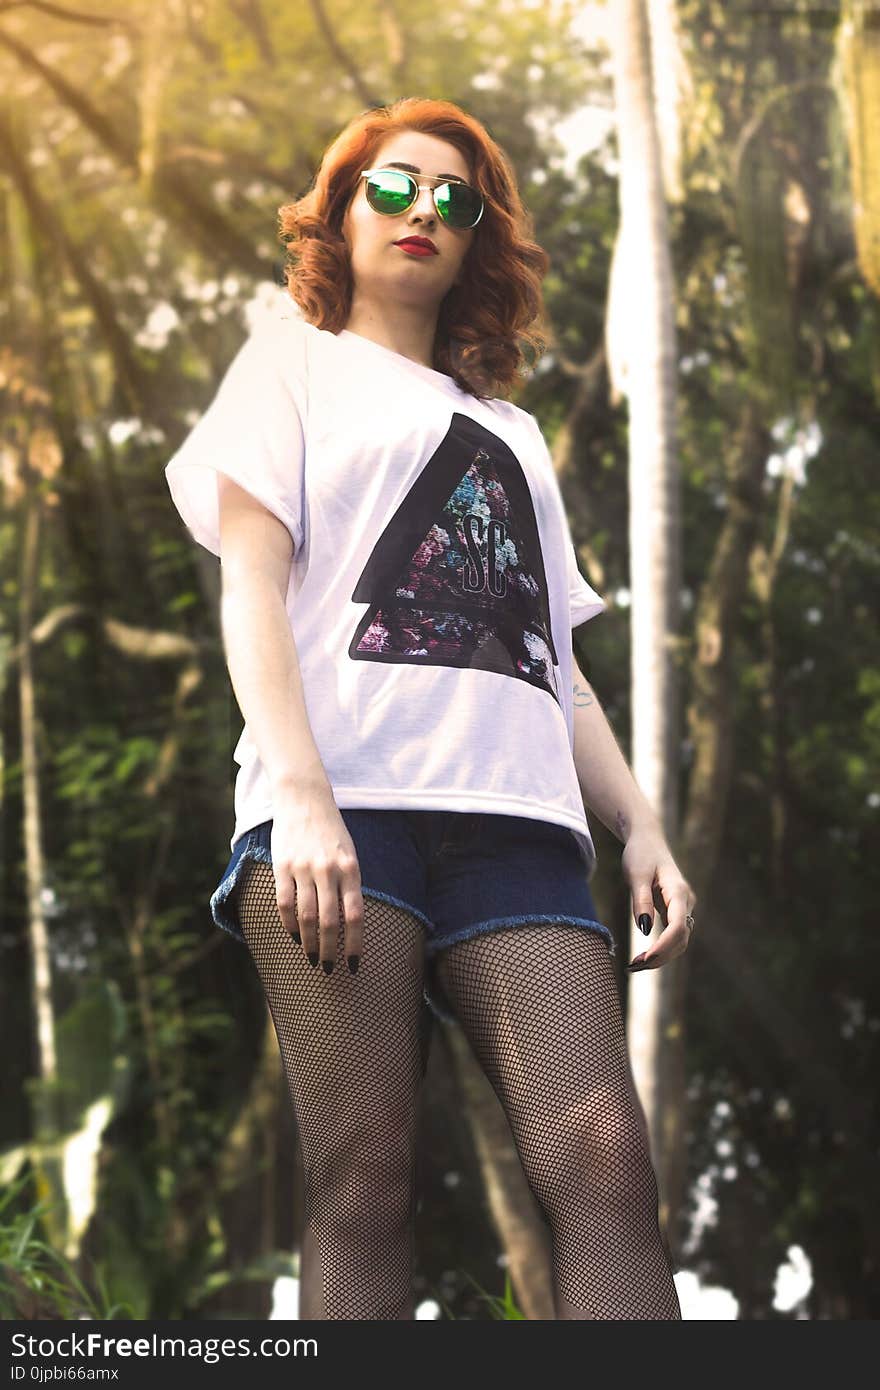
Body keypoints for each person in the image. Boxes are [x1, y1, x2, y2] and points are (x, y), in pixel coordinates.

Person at [164, 97, 696, 1321]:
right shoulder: (288, 361)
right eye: (393, 187)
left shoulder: (510, 431)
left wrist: (641, 827)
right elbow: (250, 583)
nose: (422, 212)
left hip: (518, 829)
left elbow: (550, 657)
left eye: (453, 199)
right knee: (363, 1178)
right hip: (348, 819)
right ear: (344, 209)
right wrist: (299, 795)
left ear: (476, 241)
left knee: (607, 1156)